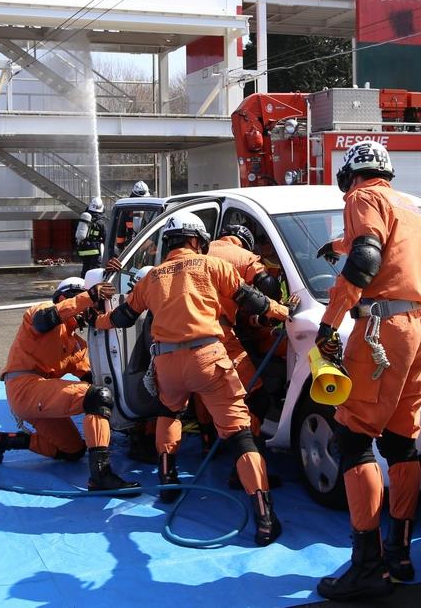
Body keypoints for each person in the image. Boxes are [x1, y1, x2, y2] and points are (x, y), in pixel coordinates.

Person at [96, 211, 295, 547]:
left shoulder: (152, 277)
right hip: (208, 357)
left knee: (169, 412)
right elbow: (256, 300)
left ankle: (167, 480)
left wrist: (96, 320)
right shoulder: (213, 266)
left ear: (169, 243)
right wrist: (286, 312)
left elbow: (122, 317)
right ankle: (264, 518)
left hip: (168, 363)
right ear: (197, 241)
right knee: (240, 434)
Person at [313, 140, 421, 601]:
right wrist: (339, 243)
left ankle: (367, 568)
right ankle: (400, 555)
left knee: (353, 436)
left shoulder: (360, 197)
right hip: (419, 326)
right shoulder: (408, 205)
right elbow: (382, 243)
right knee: (402, 441)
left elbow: (366, 258)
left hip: (382, 327)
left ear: (350, 175)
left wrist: (329, 323)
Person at [0, 276, 140, 494]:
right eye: (81, 299)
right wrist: (90, 296)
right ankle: (100, 476)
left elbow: (90, 378)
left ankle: (5, 441)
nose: (88, 307)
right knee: (97, 397)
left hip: (41, 396)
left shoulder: (76, 343)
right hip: (24, 387)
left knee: (72, 451)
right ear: (63, 298)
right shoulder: (42, 310)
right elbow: (45, 319)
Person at [200, 224, 285, 452]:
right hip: (218, 337)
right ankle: (248, 457)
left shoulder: (199, 253)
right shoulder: (243, 257)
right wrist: (277, 309)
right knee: (256, 396)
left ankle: (209, 445)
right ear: (244, 242)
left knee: (199, 394)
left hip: (180, 343)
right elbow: (267, 284)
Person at [113, 182, 152, 252]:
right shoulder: (150, 208)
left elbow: (121, 230)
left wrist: (120, 248)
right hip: (144, 246)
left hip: (132, 246)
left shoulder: (127, 208)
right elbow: (121, 230)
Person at [74, 197, 106, 276]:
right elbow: (106, 238)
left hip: (83, 250)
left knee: (85, 269)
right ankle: (92, 285)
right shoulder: (101, 223)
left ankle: (83, 285)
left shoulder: (84, 220)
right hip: (95, 251)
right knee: (95, 272)